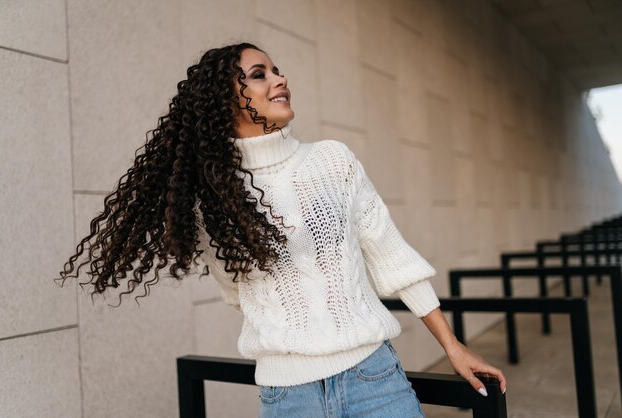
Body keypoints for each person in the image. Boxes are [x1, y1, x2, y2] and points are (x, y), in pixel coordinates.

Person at [56, 42, 506, 417]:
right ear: (225, 100)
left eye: (276, 69)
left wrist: (453, 346)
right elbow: (239, 294)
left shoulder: (333, 160)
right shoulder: (211, 200)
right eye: (258, 74)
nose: (279, 79)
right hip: (288, 397)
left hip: (375, 379)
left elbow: (393, 258)